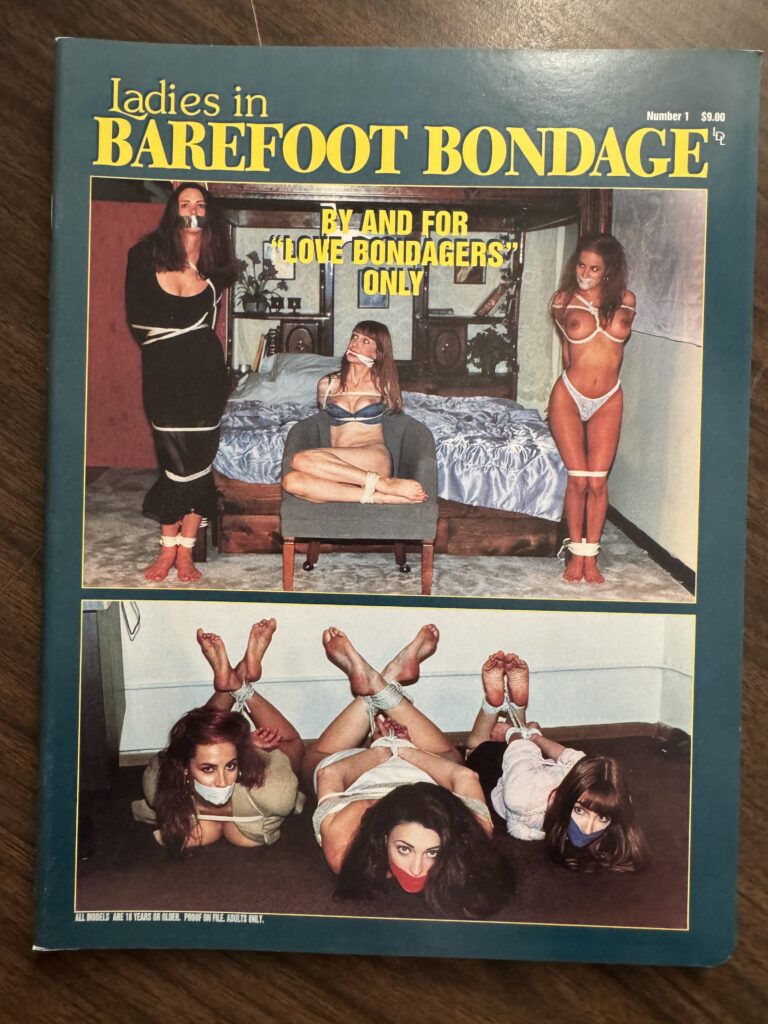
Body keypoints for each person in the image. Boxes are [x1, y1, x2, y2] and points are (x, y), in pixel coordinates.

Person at [302, 625, 511, 919]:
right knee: (451, 757)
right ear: (383, 835)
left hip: (368, 773)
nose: (416, 869)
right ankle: (382, 684)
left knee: (313, 762)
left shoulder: (346, 851)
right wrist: (403, 749)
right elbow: (466, 777)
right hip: (407, 772)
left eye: (432, 852)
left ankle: (381, 684)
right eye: (404, 849)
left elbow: (331, 774)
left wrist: (383, 749)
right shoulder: (470, 831)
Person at [125, 183, 238, 582]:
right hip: (163, 372)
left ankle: (184, 552)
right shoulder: (143, 256)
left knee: (199, 461)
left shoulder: (217, 267)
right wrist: (172, 339)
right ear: (173, 210)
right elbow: (137, 321)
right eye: (184, 203)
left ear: (208, 214)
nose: (192, 210)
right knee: (175, 463)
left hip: (205, 373)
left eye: (200, 205)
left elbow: (206, 325)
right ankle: (166, 549)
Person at [465, 650, 649, 872]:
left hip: (541, 771)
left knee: (528, 742)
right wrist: (510, 733)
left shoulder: (606, 789)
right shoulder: (522, 800)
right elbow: (520, 752)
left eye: (601, 817)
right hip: (504, 774)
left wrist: (536, 737)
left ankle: (516, 710)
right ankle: (493, 703)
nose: (588, 829)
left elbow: (570, 756)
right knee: (474, 749)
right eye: (580, 811)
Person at [132, 619, 304, 853]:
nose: (222, 781)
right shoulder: (159, 785)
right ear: (184, 769)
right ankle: (238, 683)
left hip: (255, 785)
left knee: (289, 746)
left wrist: (249, 750)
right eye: (208, 769)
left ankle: (235, 684)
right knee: (200, 738)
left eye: (231, 765)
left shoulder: (273, 792)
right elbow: (178, 751)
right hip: (211, 780)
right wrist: (245, 746)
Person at [548, 233, 636, 583]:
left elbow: (617, 353)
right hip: (569, 395)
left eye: (594, 268)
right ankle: (574, 554)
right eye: (581, 265)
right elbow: (568, 351)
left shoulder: (627, 301)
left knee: (597, 482)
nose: (585, 273)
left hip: (609, 397)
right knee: (579, 479)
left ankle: (591, 558)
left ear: (609, 270)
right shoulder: (562, 301)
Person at [282, 321, 428, 505]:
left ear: (376, 353)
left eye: (365, 341)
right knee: (291, 482)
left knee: (299, 460)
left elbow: (397, 418)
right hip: (340, 465)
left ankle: (382, 482)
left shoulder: (384, 385)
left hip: (373, 457)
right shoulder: (327, 384)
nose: (354, 343)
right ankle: (380, 496)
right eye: (355, 337)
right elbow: (322, 419)